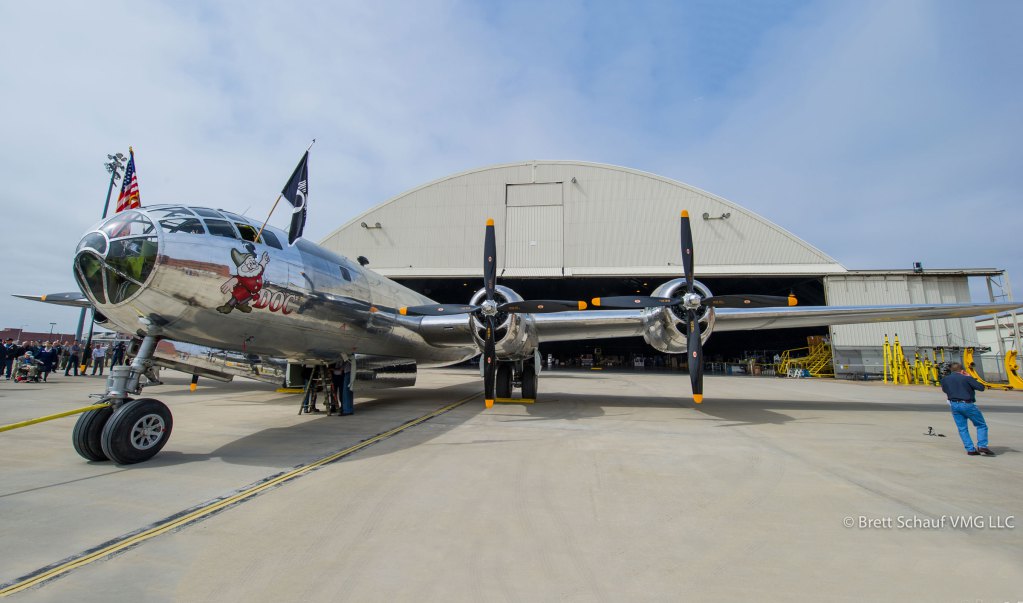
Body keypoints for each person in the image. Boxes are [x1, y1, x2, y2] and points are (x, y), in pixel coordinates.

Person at [939, 362, 993, 456]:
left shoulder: (945, 380)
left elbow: (945, 390)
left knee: (962, 428)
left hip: (954, 404)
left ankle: (970, 449)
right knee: (981, 425)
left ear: (951, 370)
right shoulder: (966, 378)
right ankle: (982, 446)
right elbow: (981, 387)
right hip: (967, 404)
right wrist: (969, 377)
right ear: (962, 370)